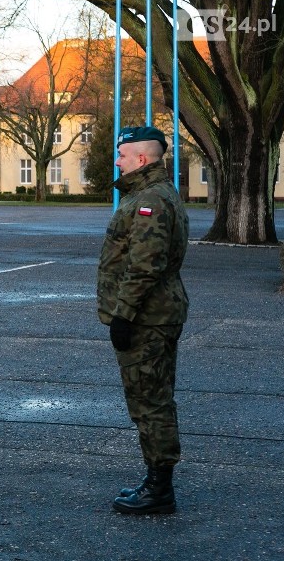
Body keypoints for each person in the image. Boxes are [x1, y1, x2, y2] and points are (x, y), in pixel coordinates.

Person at [98, 126, 189, 515]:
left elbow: (144, 266)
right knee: (153, 398)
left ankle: (159, 489)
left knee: (149, 401)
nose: (116, 161)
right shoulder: (150, 194)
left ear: (141, 159)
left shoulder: (150, 200)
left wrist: (124, 315)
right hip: (156, 315)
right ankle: (156, 479)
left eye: (122, 155)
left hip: (148, 319)